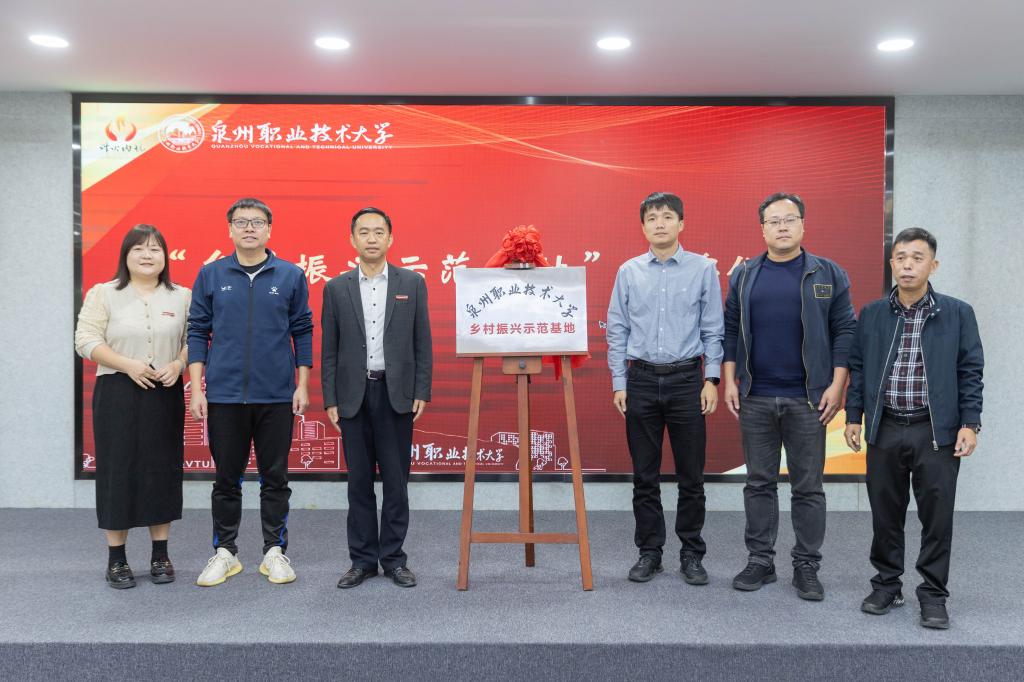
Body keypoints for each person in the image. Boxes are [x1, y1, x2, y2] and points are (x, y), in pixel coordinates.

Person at [844, 227, 983, 629]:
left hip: (934, 430)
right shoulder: (872, 314)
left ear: (932, 265)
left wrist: (970, 423)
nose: (907, 265)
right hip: (885, 427)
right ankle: (887, 585)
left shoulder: (957, 313)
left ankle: (933, 595)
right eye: (901, 257)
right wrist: (854, 416)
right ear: (892, 263)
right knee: (885, 514)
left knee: (936, 518)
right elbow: (858, 368)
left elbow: (970, 371)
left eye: (917, 258)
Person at [722, 192, 856, 600]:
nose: (782, 226)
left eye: (790, 219)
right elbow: (730, 330)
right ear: (762, 228)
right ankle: (760, 561)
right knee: (758, 483)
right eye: (774, 220)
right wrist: (729, 381)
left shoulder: (827, 273)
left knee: (808, 487)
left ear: (803, 225)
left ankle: (806, 566)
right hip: (756, 396)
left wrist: (837, 385)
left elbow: (845, 331)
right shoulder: (745, 275)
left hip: (809, 399)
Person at [187, 198, 313, 587]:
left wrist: (302, 384)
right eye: (241, 222)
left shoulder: (290, 275)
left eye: (257, 222)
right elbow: (197, 331)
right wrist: (197, 388)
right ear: (229, 229)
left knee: (275, 478)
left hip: (276, 395)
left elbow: (302, 330)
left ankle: (274, 551)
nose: (249, 229)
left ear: (269, 230)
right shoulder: (211, 274)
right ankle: (225, 552)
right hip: (224, 396)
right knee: (227, 478)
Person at [606, 192, 724, 585]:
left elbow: (713, 329)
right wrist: (619, 381)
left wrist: (711, 379)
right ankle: (650, 552)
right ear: (643, 226)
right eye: (652, 217)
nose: (660, 223)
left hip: (687, 381)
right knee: (645, 476)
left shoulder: (703, 269)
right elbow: (617, 330)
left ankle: (691, 553)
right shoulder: (628, 271)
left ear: (681, 223)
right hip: (639, 381)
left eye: (667, 216)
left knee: (692, 476)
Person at [321, 207, 433, 589]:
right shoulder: (336, 288)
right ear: (352, 239)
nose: (371, 238)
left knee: (396, 482)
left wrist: (421, 389)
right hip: (352, 396)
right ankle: (363, 560)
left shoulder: (411, 283)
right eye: (364, 232)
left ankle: (395, 559)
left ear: (390, 238)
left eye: (379, 232)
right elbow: (330, 349)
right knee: (359, 482)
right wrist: (331, 398)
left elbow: (422, 342)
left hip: (395, 394)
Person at [74, 224, 190, 589]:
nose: (147, 255)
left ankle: (160, 555)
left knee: (162, 470)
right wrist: (129, 365)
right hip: (118, 391)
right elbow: (85, 340)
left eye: (155, 249)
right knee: (117, 472)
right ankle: (117, 559)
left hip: (164, 391)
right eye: (138, 249)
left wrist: (178, 364)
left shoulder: (182, 296)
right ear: (125, 255)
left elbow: (197, 340)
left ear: (165, 257)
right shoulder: (104, 293)